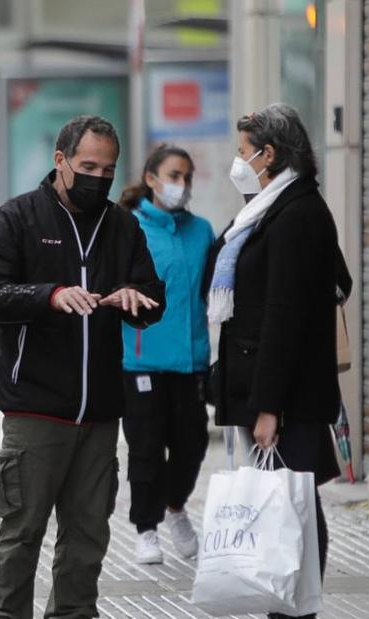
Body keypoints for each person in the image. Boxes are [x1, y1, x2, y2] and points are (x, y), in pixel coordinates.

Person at [0, 115, 164, 619]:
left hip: (101, 408)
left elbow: (155, 295)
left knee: (88, 531)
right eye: (87, 168)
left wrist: (136, 298)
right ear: (60, 160)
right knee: (22, 527)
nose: (97, 179)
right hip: (36, 406)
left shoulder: (122, 227)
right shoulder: (16, 220)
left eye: (107, 170)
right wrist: (49, 296)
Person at [205, 103, 349, 619]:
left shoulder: (295, 214)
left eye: (244, 151)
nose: (238, 162)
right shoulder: (274, 209)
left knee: (290, 515)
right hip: (273, 388)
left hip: (285, 396)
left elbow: (287, 315)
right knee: (288, 511)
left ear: (270, 154)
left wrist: (268, 407)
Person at [116, 144, 213, 566]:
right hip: (143, 359)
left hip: (191, 359)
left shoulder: (202, 231)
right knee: (146, 449)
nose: (182, 185)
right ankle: (146, 527)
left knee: (192, 443)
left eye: (187, 177)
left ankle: (175, 507)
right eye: (174, 176)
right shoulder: (128, 228)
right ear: (151, 179)